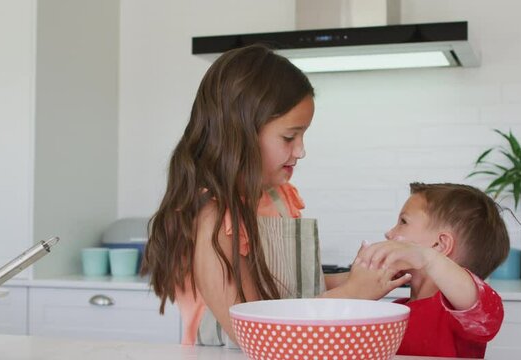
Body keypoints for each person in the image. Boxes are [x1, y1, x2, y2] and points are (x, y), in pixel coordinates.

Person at [141, 44, 408, 346]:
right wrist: (352, 293)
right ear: (239, 133)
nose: (301, 151)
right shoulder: (213, 218)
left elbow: (296, 290)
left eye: (303, 136)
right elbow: (254, 334)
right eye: (289, 137)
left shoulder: (277, 198)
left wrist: (365, 276)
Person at [356, 182, 510, 358]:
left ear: (439, 245)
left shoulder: (459, 315)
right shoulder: (397, 310)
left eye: (403, 222)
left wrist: (426, 257)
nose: (389, 233)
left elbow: (477, 301)